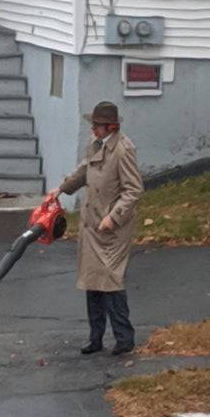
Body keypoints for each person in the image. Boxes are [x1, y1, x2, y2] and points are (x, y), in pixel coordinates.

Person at [49, 102, 144, 356]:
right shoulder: (96, 145)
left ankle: (124, 338)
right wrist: (62, 188)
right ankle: (95, 337)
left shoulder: (123, 150)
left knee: (110, 281)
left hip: (111, 229)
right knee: (92, 281)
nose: (93, 129)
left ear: (110, 126)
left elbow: (133, 190)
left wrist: (113, 218)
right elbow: (84, 171)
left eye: (97, 125)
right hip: (92, 224)